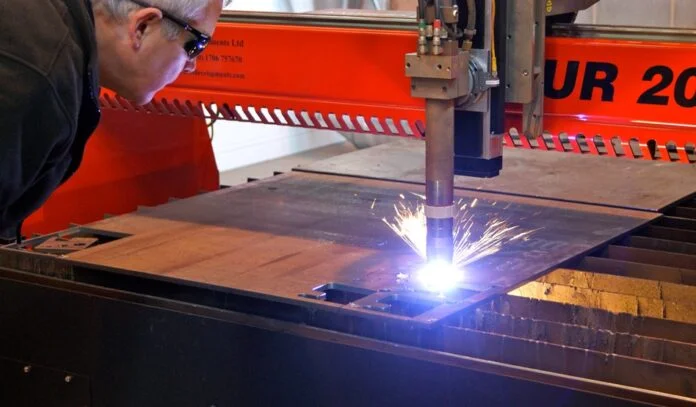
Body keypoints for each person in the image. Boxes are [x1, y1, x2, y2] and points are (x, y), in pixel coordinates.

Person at [0, 0, 230, 244]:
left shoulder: (46, 29)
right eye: (195, 45)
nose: (192, 66)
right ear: (142, 27)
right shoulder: (38, 81)